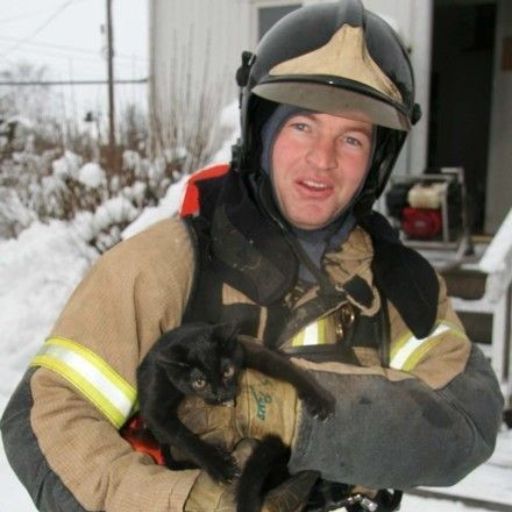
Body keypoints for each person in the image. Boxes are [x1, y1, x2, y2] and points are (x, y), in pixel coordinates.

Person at [1, 1, 504, 511]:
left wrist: (285, 409)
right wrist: (186, 503)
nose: (323, 159)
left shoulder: (397, 286)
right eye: (302, 126)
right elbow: (46, 415)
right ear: (262, 133)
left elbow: (466, 416)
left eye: (351, 138)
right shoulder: (165, 264)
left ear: (376, 161)